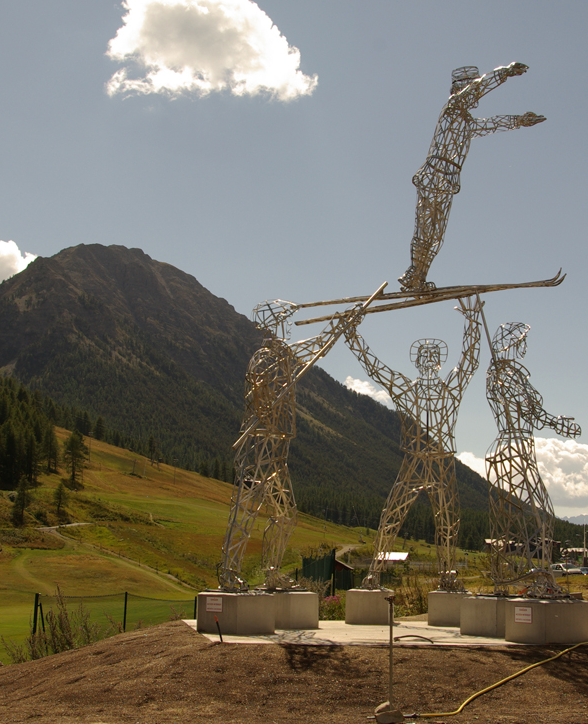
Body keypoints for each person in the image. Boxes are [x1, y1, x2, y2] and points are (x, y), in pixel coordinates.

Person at [219, 298, 370, 592]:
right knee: (245, 514)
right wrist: (265, 406)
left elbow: (320, 344)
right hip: (259, 443)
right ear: (273, 323)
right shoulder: (262, 358)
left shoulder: (286, 355)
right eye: (283, 319)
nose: (287, 325)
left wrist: (343, 321)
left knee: (286, 515)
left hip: (278, 451)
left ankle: (272, 573)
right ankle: (228, 574)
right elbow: (254, 391)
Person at [345, 296, 483, 590]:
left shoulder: (450, 390)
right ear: (418, 361)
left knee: (447, 522)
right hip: (414, 460)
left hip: (442, 461)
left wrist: (472, 321)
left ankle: (447, 575)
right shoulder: (407, 390)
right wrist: (352, 335)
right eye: (425, 356)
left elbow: (469, 361)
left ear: (439, 361)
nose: (430, 361)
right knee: (391, 516)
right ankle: (375, 573)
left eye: (434, 356)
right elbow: (374, 367)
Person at [398, 63, 546, 292]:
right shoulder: (453, 107)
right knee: (425, 231)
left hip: (447, 180)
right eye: (470, 88)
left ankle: (419, 279)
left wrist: (520, 120)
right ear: (461, 89)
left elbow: (491, 125)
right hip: (434, 174)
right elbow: (479, 88)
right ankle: (412, 276)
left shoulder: (465, 123)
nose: (474, 95)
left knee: (436, 236)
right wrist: (504, 72)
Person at [484, 322, 580, 597]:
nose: (524, 346)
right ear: (511, 344)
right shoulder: (502, 374)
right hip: (510, 447)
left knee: (537, 517)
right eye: (521, 341)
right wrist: (556, 423)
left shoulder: (510, 374)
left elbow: (533, 412)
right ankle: (514, 582)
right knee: (523, 519)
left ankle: (531, 580)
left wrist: (557, 423)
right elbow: (531, 413)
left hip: (521, 447)